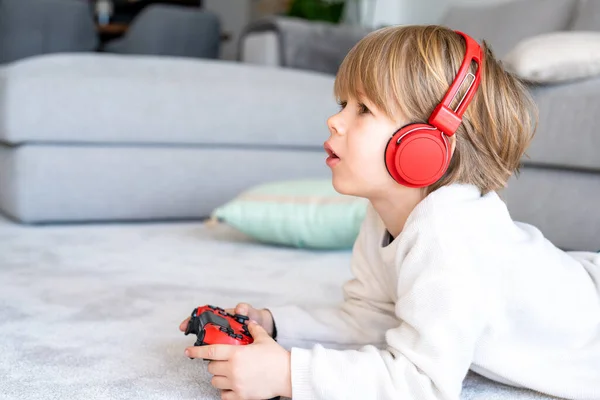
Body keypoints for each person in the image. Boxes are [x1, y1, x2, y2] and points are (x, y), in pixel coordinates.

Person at [180, 24, 600, 400]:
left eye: (362, 109)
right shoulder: (385, 211)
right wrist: (275, 327)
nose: (334, 121)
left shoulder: (451, 236)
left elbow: (423, 384)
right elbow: (372, 318)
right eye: (343, 103)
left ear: (425, 146)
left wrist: (290, 375)